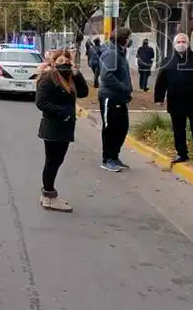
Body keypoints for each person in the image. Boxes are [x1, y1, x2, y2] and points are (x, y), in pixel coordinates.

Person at [35, 48, 89, 212]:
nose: (64, 63)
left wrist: (76, 73)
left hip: (65, 127)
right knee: (52, 161)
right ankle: (49, 196)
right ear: (53, 62)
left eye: (67, 61)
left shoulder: (70, 78)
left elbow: (84, 93)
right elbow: (41, 102)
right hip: (52, 127)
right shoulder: (48, 78)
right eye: (60, 61)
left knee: (57, 161)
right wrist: (61, 111)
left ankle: (48, 193)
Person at [154, 33, 193, 165]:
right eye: (178, 42)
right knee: (178, 130)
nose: (181, 44)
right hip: (176, 101)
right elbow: (161, 80)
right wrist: (159, 97)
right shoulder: (167, 60)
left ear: (188, 43)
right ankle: (181, 153)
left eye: (183, 41)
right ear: (174, 44)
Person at [98, 27, 133, 172]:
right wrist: (123, 88)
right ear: (124, 39)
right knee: (110, 128)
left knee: (122, 127)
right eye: (129, 38)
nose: (131, 41)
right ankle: (108, 159)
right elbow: (106, 76)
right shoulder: (111, 53)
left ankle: (115, 156)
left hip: (120, 98)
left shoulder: (120, 52)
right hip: (110, 97)